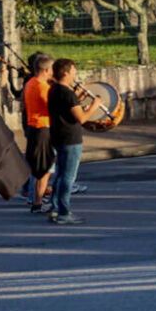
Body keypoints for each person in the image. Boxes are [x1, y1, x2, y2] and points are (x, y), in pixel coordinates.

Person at [43, 59, 100, 224]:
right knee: (68, 177)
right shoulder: (67, 93)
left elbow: (68, 111)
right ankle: (64, 212)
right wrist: (95, 106)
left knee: (60, 175)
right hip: (70, 139)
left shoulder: (54, 90)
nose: (76, 73)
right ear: (66, 73)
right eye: (74, 70)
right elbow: (81, 118)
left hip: (58, 136)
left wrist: (78, 99)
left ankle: (55, 208)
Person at [21, 52, 52, 212]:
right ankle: (37, 202)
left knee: (38, 166)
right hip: (43, 127)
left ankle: (36, 199)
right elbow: (52, 109)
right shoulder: (43, 87)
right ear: (46, 70)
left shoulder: (30, 83)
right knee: (43, 168)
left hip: (32, 126)